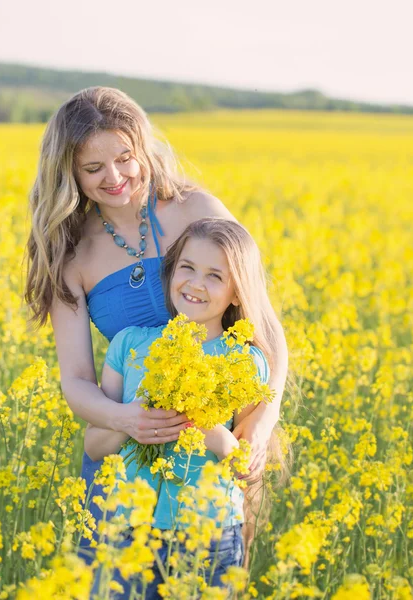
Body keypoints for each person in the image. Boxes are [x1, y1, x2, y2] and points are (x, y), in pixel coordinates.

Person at [24, 87, 288, 560]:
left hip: (207, 462)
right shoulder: (72, 255)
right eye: (92, 168)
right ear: (69, 173)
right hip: (122, 465)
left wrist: (263, 424)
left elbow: (265, 330)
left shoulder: (198, 210)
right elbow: (78, 382)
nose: (115, 177)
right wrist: (128, 419)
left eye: (125, 157)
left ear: (142, 148)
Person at [85, 217, 275, 596]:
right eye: (187, 268)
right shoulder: (130, 344)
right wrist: (129, 418)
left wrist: (208, 430)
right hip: (127, 528)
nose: (195, 284)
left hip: (208, 531)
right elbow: (94, 445)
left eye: (214, 276)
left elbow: (247, 467)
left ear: (237, 293)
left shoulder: (246, 361)